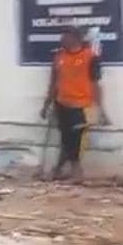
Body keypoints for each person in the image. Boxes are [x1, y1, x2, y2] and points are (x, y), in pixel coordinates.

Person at [41, 26, 108, 182]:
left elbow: (96, 85)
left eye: (65, 36)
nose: (61, 39)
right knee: (66, 139)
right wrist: (46, 104)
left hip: (81, 106)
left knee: (76, 142)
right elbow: (53, 83)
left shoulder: (90, 57)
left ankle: (76, 173)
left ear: (75, 38)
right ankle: (59, 170)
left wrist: (100, 110)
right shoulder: (59, 57)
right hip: (62, 104)